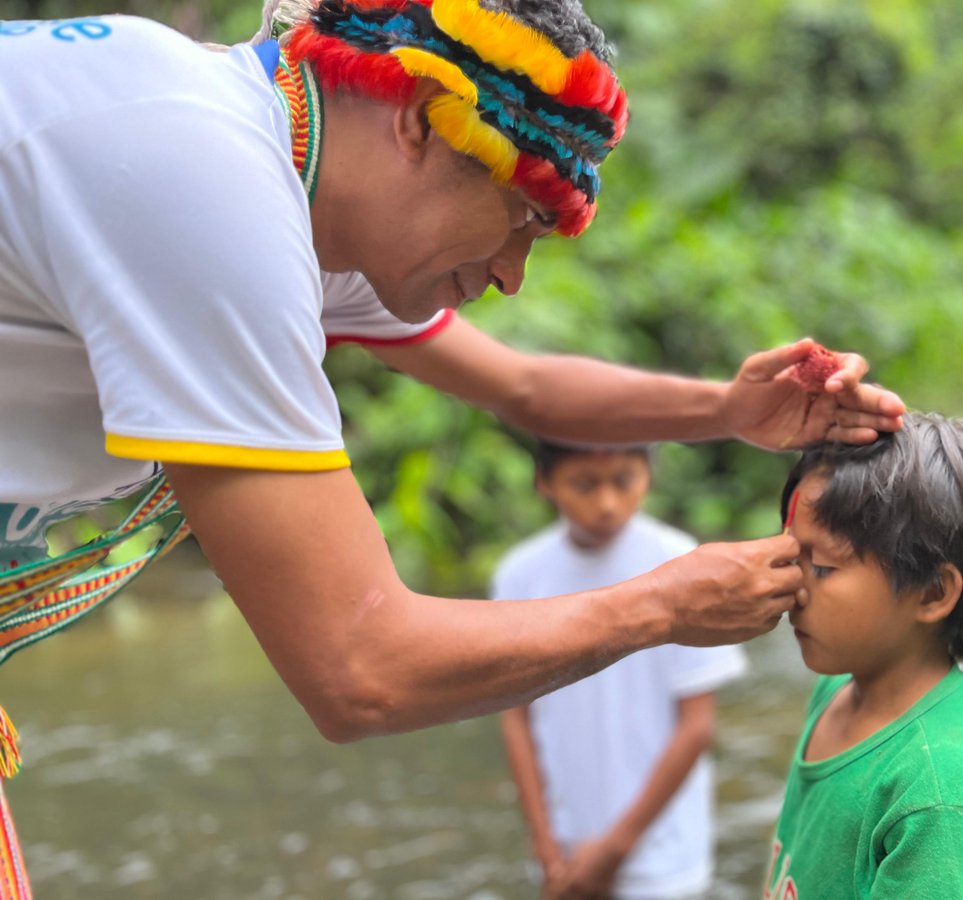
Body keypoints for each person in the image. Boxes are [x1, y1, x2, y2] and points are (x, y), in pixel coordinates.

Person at [0, 0, 905, 890]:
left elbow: (527, 389)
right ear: (417, 122)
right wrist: (662, 609)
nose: (513, 275)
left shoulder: (291, 183)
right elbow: (360, 669)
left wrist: (729, 410)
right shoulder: (205, 186)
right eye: (522, 217)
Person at [762, 413, 963, 900]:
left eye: (821, 567)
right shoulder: (837, 690)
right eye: (790, 556)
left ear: (931, 592)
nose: (791, 584)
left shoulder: (943, 800)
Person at [495, 441, 746, 899]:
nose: (607, 503)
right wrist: (546, 847)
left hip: (662, 853)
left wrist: (614, 849)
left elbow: (696, 726)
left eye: (623, 481)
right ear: (544, 483)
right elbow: (517, 718)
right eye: (584, 485)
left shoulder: (682, 564)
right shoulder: (520, 575)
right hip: (564, 848)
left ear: (648, 474)